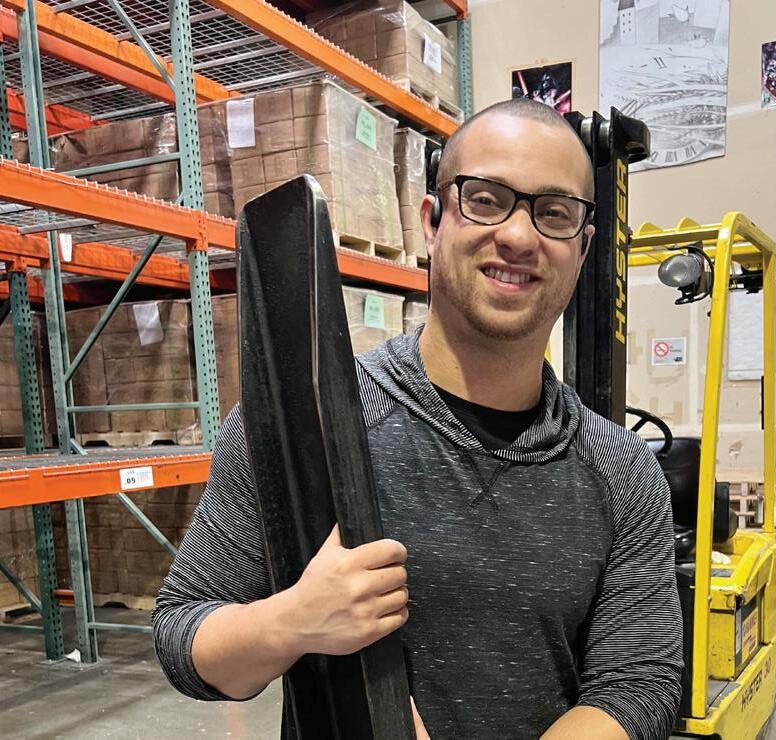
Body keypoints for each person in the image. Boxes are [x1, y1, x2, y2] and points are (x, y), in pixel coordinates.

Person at [152, 98, 683, 739]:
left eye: (554, 214)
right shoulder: (307, 426)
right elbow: (183, 632)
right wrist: (292, 622)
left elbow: (639, 686)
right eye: (485, 199)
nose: (519, 237)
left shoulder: (623, 472)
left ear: (583, 247)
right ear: (432, 222)